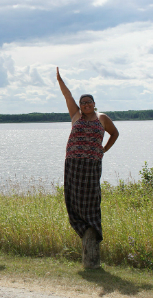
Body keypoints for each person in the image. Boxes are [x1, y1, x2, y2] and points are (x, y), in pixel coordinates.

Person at [56, 67, 119, 243]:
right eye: (83, 102)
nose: (86, 104)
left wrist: (103, 150)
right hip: (74, 163)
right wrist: (60, 81)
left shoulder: (102, 118)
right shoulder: (76, 115)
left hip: (92, 163)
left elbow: (115, 134)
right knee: (73, 196)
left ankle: (93, 228)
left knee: (92, 197)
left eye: (89, 102)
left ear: (94, 103)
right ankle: (81, 227)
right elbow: (67, 96)